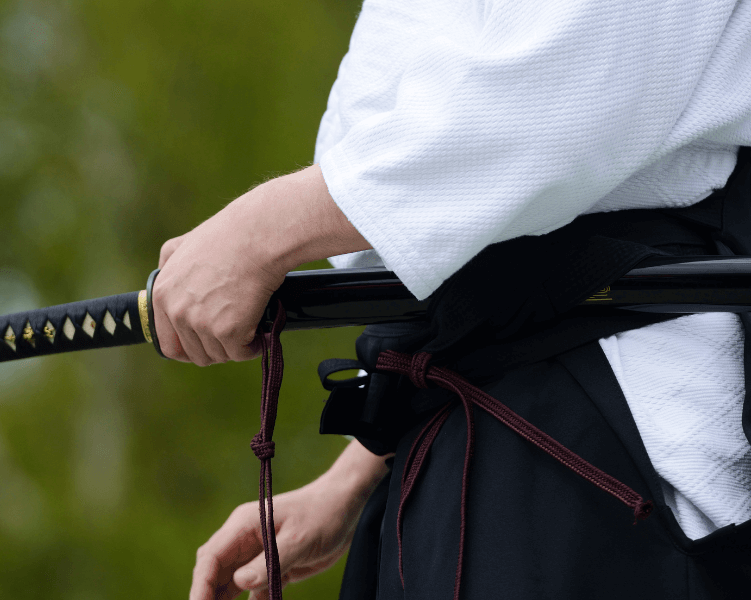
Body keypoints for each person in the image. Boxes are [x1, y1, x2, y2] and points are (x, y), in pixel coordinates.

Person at [149, 1, 751, 599]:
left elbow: (553, 99)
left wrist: (260, 231)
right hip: (447, 440)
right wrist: (352, 478)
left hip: (612, 446)